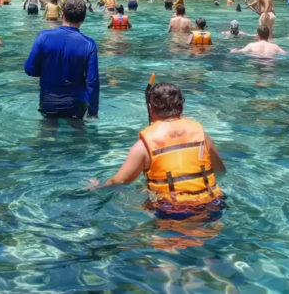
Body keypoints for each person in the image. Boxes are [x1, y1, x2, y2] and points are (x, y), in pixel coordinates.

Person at [88, 82, 226, 218]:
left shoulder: (143, 146)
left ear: (151, 110)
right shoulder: (202, 136)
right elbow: (220, 171)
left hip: (172, 211)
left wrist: (97, 187)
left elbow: (117, 181)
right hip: (213, 206)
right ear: (181, 108)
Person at [24, 0, 99, 120]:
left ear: (62, 14)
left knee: (46, 135)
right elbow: (92, 82)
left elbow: (29, 69)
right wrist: (93, 113)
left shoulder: (44, 36)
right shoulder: (89, 44)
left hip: (49, 102)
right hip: (76, 104)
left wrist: (47, 71)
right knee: (79, 136)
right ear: (83, 18)